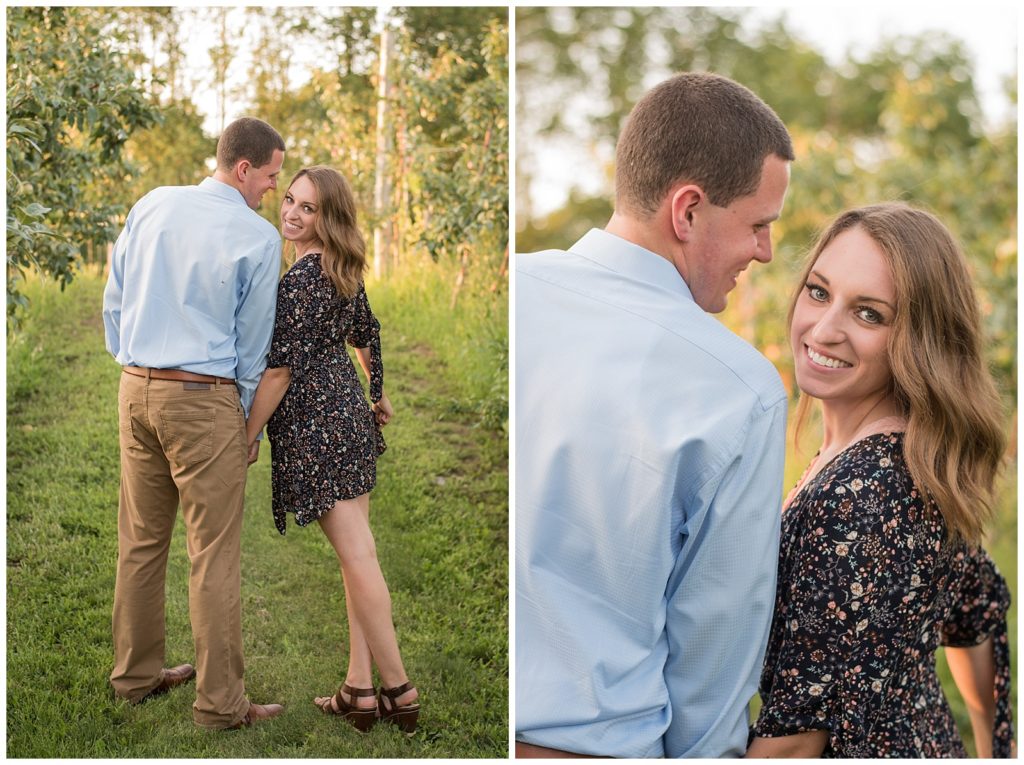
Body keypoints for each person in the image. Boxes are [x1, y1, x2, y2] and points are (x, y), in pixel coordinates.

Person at [515, 72, 794, 757]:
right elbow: (711, 670)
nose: (764, 251)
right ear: (688, 211)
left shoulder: (513, 284)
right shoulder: (740, 391)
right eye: (758, 225)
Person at [748, 202, 1013, 758]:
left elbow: (795, 745)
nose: (824, 328)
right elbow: (976, 613)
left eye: (869, 314)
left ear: (920, 340)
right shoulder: (922, 459)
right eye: (819, 292)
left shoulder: (863, 494)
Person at [102, 116, 286, 729]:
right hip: (203, 399)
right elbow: (253, 346)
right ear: (243, 169)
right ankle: (221, 706)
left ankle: (135, 676)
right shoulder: (258, 239)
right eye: (269, 176)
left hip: (137, 388)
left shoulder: (152, 204)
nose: (271, 189)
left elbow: (116, 300)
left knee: (142, 541)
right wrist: (246, 426)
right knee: (212, 554)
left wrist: (137, 361)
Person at [243, 166, 419, 734]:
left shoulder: (299, 281)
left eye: (308, 208)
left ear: (329, 218)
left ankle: (399, 689)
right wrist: (376, 390)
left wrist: (248, 434)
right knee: (357, 558)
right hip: (349, 418)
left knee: (359, 559)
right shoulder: (340, 269)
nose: (291, 212)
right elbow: (366, 333)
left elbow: (279, 372)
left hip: (319, 430)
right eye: (289, 199)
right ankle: (358, 689)